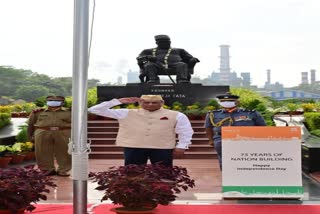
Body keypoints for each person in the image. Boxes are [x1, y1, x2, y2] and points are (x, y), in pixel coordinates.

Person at [88, 95, 193, 166]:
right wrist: (118, 101)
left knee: (163, 173)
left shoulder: (177, 115)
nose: (150, 105)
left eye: (154, 102)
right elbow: (94, 110)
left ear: (162, 103)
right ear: (140, 102)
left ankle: (164, 195)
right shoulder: (126, 112)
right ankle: (134, 196)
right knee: (133, 173)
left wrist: (182, 146)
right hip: (134, 146)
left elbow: (185, 131)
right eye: (146, 102)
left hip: (162, 147)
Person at [204, 93, 266, 170]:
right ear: (220, 102)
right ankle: (228, 176)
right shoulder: (212, 114)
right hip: (221, 138)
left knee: (246, 159)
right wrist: (210, 140)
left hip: (245, 139)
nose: (227, 103)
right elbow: (208, 127)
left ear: (237, 102)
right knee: (224, 159)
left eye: (230, 101)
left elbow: (262, 127)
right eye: (224, 101)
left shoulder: (250, 113)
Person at [27, 96, 71, 176]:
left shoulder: (69, 112)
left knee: (65, 151)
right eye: (51, 100)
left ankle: (63, 170)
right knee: (42, 151)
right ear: (47, 102)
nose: (53, 102)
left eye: (56, 101)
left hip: (63, 132)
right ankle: (47, 170)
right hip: (43, 132)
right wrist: (30, 136)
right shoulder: (38, 112)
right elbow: (30, 124)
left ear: (62, 102)